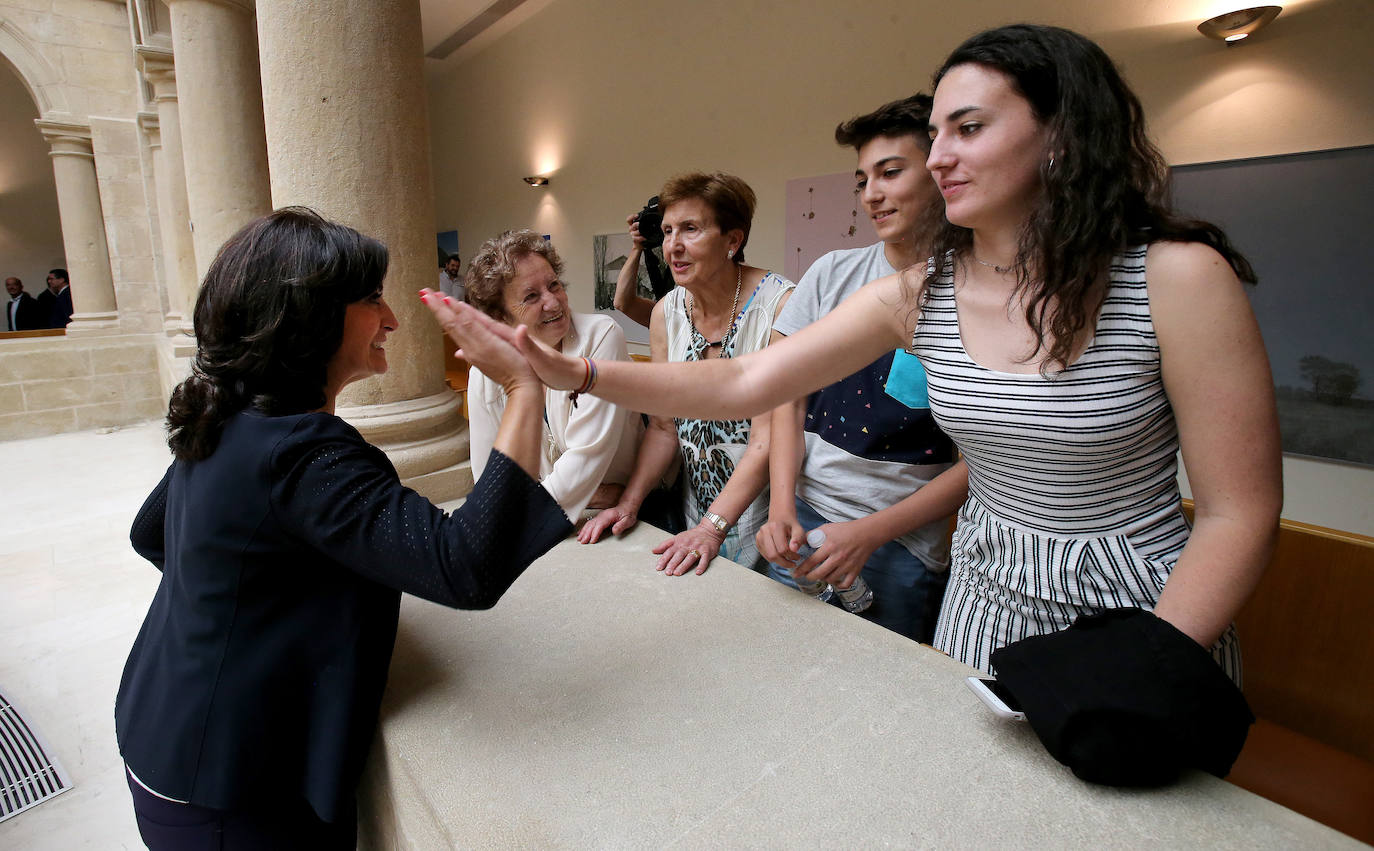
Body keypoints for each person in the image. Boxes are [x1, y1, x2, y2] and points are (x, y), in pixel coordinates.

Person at [459, 24, 1281, 679]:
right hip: (984, 597)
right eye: (936, 133)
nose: (941, 156)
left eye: (968, 128)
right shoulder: (922, 290)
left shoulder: (1178, 279)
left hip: (1148, 607)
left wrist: (1154, 665)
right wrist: (587, 372)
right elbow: (749, 377)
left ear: (1061, 136)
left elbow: (1237, 511)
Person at [116, 208, 571, 848]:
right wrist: (524, 388)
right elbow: (464, 564)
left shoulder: (234, 415)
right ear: (312, 315)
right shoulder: (303, 452)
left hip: (162, 729)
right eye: (373, 300)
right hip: (228, 788)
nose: (389, 321)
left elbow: (151, 533)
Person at [756, 94, 965, 644]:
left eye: (890, 173)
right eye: (862, 179)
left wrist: (871, 533)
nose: (871, 194)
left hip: (900, 539)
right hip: (805, 514)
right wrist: (780, 508)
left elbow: (984, 462)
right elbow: (785, 393)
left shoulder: (973, 291)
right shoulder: (830, 274)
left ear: (941, 169)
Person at [579, 172, 795, 575]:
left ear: (733, 240)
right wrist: (629, 502)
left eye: (690, 229)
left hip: (766, 517)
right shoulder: (667, 313)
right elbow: (663, 428)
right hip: (693, 511)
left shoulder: (780, 307)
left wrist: (713, 528)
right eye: (667, 231)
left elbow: (768, 439)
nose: (672, 246)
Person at [465, 229, 644, 521]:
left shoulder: (600, 336)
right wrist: (590, 492)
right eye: (531, 296)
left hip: (624, 514)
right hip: (554, 512)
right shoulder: (485, 370)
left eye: (554, 285)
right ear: (500, 317)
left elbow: (586, 458)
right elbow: (488, 477)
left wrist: (528, 500)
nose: (553, 302)